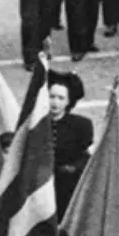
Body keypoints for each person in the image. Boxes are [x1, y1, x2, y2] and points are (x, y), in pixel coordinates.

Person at [45, 70, 91, 218]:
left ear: (68, 101)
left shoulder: (82, 125)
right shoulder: (37, 124)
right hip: (42, 187)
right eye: (52, 97)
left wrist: (73, 168)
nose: (55, 102)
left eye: (60, 98)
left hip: (68, 187)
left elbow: (88, 156)